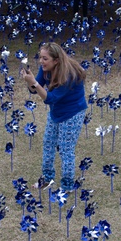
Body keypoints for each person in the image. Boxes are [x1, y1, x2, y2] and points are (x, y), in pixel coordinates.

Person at [20, 42, 87, 192]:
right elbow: (34, 89)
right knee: (48, 143)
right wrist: (30, 81)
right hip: (56, 111)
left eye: (45, 59)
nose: (41, 61)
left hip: (72, 113)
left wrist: (35, 84)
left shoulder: (68, 74)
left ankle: (67, 186)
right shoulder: (45, 69)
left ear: (56, 60)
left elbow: (49, 98)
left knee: (65, 149)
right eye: (40, 58)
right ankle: (47, 179)